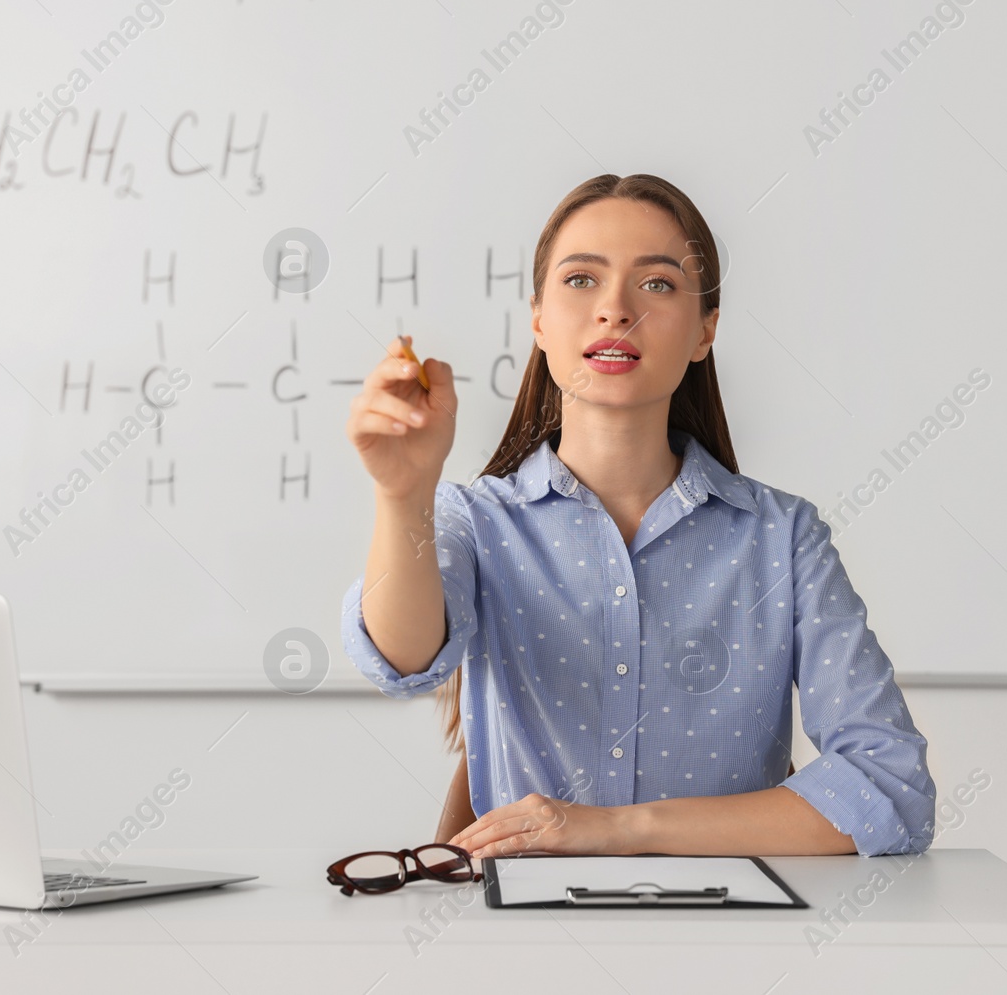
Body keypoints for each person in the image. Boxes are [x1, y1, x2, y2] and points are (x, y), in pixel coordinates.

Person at [340, 173, 935, 859]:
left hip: (737, 945)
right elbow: (401, 658)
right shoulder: (476, 519)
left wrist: (621, 829)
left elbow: (890, 787)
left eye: (656, 284)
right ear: (537, 319)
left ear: (706, 329)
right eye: (581, 280)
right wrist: (402, 493)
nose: (615, 310)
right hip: (520, 947)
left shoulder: (784, 538)